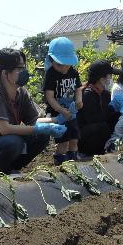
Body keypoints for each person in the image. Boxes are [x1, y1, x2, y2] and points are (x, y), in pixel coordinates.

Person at [0, 48, 66, 181]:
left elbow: (35, 121)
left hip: (2, 145)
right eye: (19, 68)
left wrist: (57, 120)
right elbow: (5, 129)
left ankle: (9, 169)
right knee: (14, 141)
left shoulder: (21, 93)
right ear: (5, 73)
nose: (24, 72)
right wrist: (38, 128)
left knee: (42, 136)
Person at [43, 37, 83, 165]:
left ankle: (73, 161)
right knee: (63, 141)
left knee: (74, 138)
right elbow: (49, 96)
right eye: (60, 64)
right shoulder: (51, 74)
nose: (64, 68)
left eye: (67, 64)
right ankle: (60, 164)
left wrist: (79, 100)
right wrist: (60, 110)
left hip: (72, 112)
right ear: (52, 60)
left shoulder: (74, 73)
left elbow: (78, 89)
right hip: (57, 113)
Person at [77, 60, 122, 156]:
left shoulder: (105, 94)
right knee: (104, 126)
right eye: (110, 76)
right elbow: (93, 119)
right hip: (86, 135)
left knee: (119, 118)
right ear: (101, 79)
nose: (111, 79)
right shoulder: (87, 94)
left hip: (98, 130)